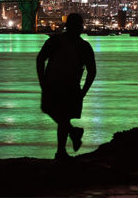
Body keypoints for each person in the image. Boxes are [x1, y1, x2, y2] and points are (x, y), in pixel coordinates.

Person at [36, 13, 96, 160]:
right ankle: (68, 140)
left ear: (66, 26)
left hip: (53, 83)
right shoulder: (84, 46)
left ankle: (62, 150)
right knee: (62, 117)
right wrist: (83, 91)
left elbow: (40, 59)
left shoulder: (55, 41)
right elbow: (92, 71)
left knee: (57, 114)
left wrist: (42, 80)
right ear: (81, 27)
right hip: (71, 86)